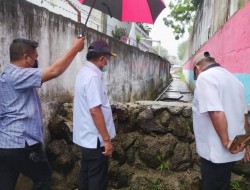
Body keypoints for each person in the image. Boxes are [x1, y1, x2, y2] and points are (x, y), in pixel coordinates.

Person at [0, 37, 85, 190]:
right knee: (44, 177)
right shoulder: (17, 75)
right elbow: (54, 71)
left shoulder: (5, 77)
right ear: (26, 58)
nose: (36, 62)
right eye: (35, 58)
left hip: (5, 144)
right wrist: (75, 49)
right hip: (23, 144)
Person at [192, 51, 250, 190]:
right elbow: (244, 116)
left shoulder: (205, 77)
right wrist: (246, 144)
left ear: (197, 68)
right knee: (223, 184)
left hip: (216, 152)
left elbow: (216, 111)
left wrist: (225, 141)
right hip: (232, 151)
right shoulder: (235, 81)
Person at [73, 40, 116, 190]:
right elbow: (95, 110)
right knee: (97, 180)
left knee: (86, 176)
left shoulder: (84, 72)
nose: (107, 63)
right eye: (108, 59)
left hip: (86, 138)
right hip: (96, 140)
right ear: (102, 58)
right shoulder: (92, 77)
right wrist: (106, 140)